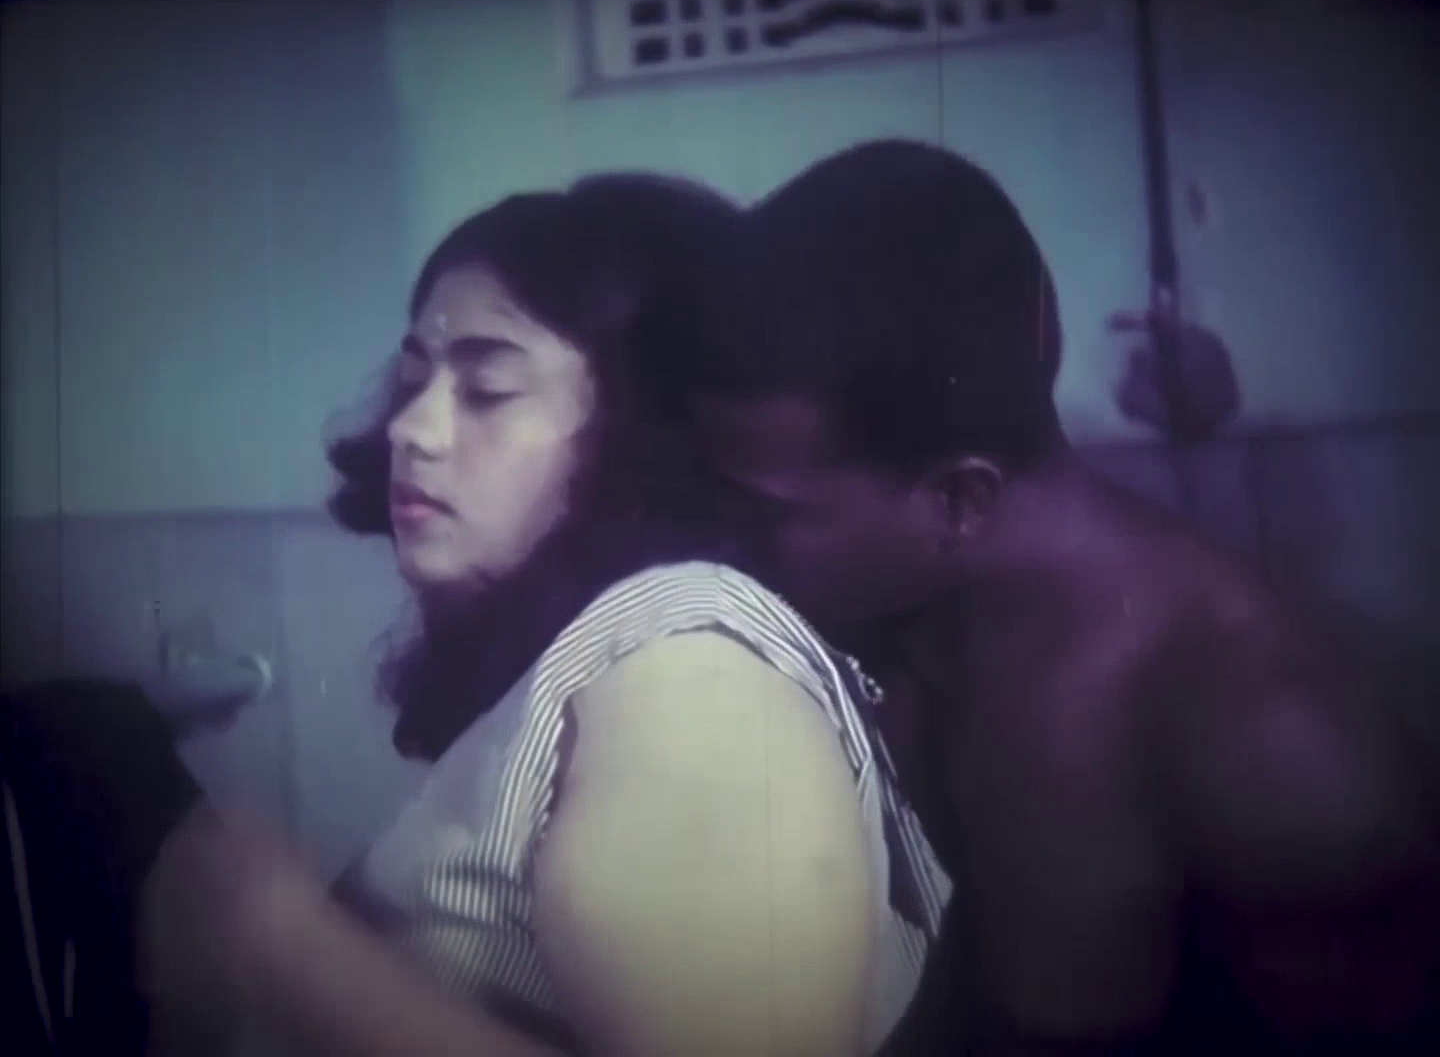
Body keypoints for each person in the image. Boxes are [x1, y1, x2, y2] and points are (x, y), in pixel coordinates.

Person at [137, 171, 950, 1057]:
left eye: (486, 390)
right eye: (413, 382)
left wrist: (281, 947)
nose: (411, 429)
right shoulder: (609, 660)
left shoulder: (691, 670)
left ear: (641, 431)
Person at [687, 139, 1440, 1053]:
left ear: (960, 500)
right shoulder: (884, 627)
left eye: (769, 511)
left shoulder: (1266, 741)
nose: (728, 540)